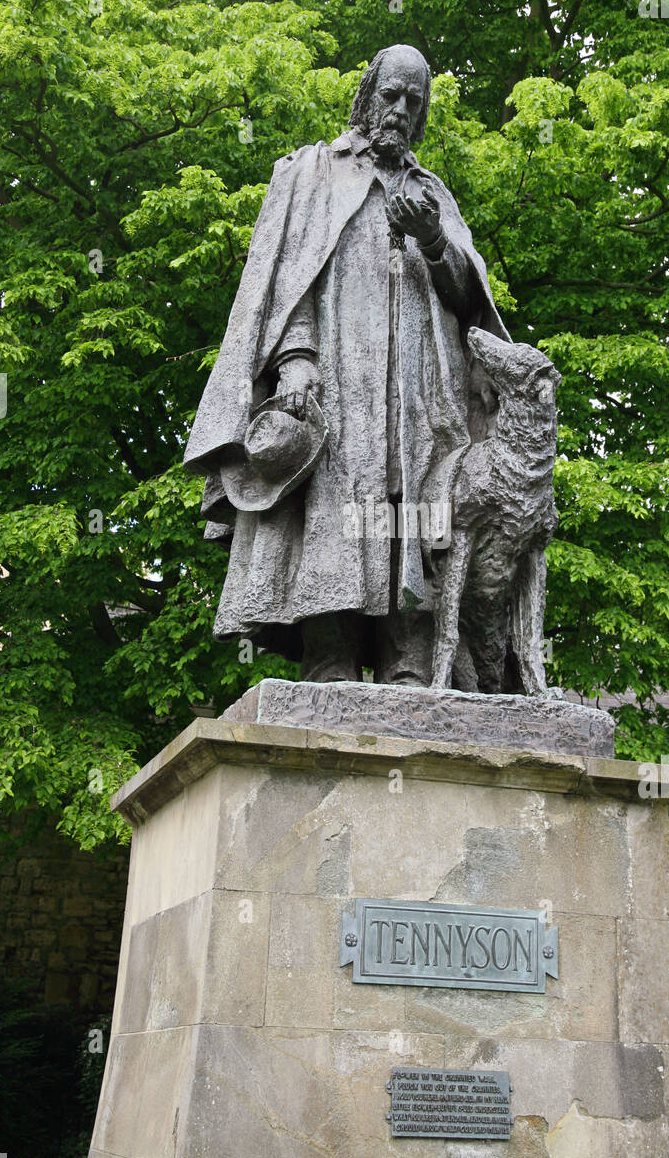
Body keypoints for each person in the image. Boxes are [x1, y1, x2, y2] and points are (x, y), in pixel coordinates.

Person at [183, 44, 510, 685]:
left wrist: (436, 241)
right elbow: (287, 285)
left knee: (415, 513)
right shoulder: (313, 173)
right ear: (367, 96)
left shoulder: (431, 193)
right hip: (339, 378)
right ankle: (328, 659)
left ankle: (411, 664)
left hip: (421, 387)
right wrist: (297, 362)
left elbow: (475, 303)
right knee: (334, 506)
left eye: (414, 102)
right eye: (391, 95)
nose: (400, 110)